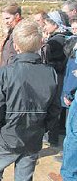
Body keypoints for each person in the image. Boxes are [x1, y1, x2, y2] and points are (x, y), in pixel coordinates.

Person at [0, 20, 60, 181]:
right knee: (24, 176)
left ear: (16, 46)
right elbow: (55, 109)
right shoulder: (51, 73)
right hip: (31, 137)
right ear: (40, 45)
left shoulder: (6, 73)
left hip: (10, 137)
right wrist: (42, 129)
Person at [41, 11, 73, 146]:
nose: (45, 27)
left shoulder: (55, 41)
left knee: (52, 106)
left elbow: (47, 60)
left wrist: (44, 44)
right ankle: (58, 132)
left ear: (56, 25)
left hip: (55, 78)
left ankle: (51, 137)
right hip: (63, 77)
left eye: (47, 24)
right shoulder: (68, 37)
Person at [0, 2, 22, 68]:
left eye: (7, 18)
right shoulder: (12, 31)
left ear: (17, 16)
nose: (5, 22)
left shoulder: (21, 32)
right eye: (4, 19)